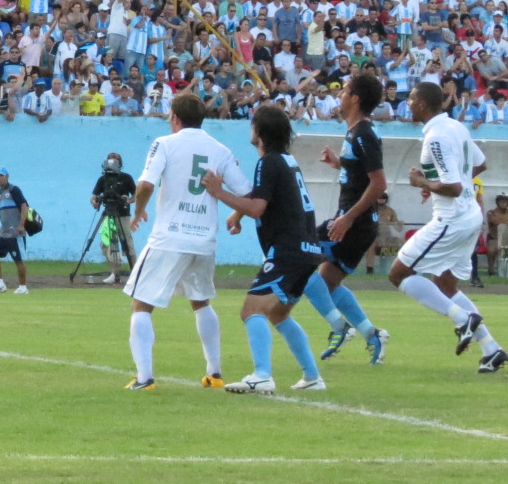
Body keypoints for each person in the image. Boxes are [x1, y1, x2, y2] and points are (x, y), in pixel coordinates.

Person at [125, 92, 250, 391]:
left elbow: (145, 184)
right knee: (200, 301)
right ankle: (214, 373)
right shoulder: (220, 149)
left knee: (141, 304)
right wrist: (236, 216)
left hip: (169, 237)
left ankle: (144, 378)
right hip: (203, 241)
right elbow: (246, 193)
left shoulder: (165, 143)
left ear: (175, 118)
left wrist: (139, 210)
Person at [203, 103, 328, 393]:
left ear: (260, 131)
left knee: (251, 310)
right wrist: (238, 212)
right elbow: (270, 200)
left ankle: (262, 375)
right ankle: (312, 377)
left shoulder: (268, 162)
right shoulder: (286, 160)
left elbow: (259, 207)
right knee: (278, 314)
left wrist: (219, 192)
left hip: (288, 250)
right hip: (307, 248)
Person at [390, 82, 508, 373]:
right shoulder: (456, 127)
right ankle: (491, 349)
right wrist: (435, 185)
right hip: (469, 214)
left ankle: (462, 318)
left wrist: (423, 183)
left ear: (421, 104)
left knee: (398, 274)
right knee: (445, 284)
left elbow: (454, 187)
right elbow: (479, 165)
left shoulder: (437, 137)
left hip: (452, 218)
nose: (408, 104)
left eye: (411, 100)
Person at [307, 73, 390, 363]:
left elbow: (379, 184)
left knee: (299, 260)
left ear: (354, 98)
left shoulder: (364, 134)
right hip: (354, 222)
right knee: (327, 280)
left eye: (344, 91)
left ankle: (338, 325)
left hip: (354, 224)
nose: (340, 95)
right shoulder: (357, 132)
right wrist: (340, 163)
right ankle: (371, 334)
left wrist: (348, 219)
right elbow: (361, 173)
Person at [91, 152, 137, 282]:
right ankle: (113, 273)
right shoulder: (103, 179)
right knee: (107, 243)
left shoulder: (126, 178)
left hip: (123, 215)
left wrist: (127, 200)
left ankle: (134, 274)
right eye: (110, 160)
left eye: (115, 160)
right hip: (108, 214)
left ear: (120, 163)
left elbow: (136, 195)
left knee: (127, 243)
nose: (113, 162)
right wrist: (94, 201)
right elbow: (94, 195)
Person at [0, 167, 31, 294]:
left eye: (1, 175)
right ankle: (0, 284)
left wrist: (21, 225)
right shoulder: (0, 193)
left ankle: (23, 287)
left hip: (15, 231)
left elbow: (24, 206)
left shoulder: (13, 190)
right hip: (4, 231)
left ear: (7, 176)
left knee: (19, 259)